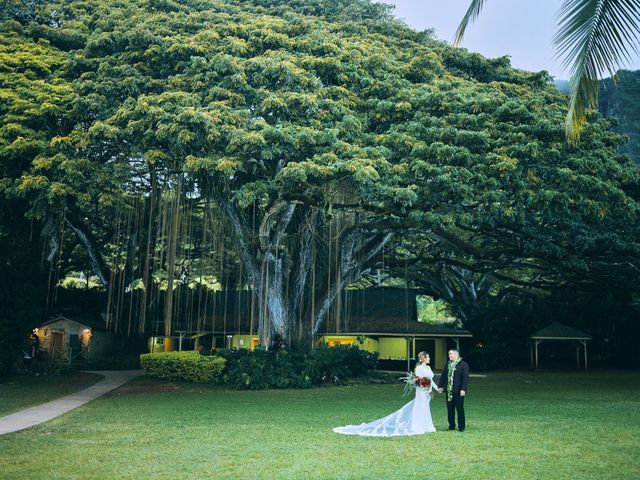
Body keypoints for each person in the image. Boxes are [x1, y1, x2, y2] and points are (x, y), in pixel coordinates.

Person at [333, 351, 439, 436]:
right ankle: (417, 426)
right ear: (423, 358)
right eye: (428, 357)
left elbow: (430, 380)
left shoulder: (428, 368)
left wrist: (437, 388)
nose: (429, 359)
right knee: (419, 407)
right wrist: (422, 386)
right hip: (421, 392)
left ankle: (426, 426)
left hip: (427, 392)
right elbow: (418, 380)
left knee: (425, 408)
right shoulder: (419, 368)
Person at [438, 349, 470, 432]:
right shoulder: (448, 364)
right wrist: (440, 386)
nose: (449, 355)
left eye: (450, 354)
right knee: (450, 409)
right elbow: (443, 375)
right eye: (448, 354)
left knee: (460, 409)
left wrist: (463, 389)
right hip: (449, 391)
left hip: (458, 391)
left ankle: (461, 427)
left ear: (456, 354)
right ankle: (451, 426)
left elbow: (465, 378)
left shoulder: (463, 364)